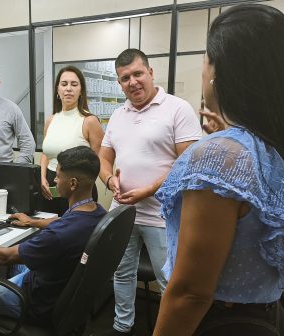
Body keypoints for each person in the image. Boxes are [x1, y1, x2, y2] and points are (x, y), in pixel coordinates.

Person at [153, 4, 284, 335]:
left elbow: (190, 293)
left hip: (217, 322)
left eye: (205, 60)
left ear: (218, 71)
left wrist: (221, 146)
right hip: (266, 318)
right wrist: (225, 137)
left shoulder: (218, 158)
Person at [0, 146, 106, 335]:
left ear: (72, 183)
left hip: (36, 303)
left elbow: (4, 257)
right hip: (61, 291)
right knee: (18, 264)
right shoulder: (98, 212)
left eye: (58, 176)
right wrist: (33, 222)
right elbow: (65, 221)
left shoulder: (58, 236)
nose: (54, 180)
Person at [98, 48, 202, 335]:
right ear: (119, 83)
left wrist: (149, 190)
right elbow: (103, 158)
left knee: (169, 280)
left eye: (137, 74)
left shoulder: (178, 109)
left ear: (150, 72)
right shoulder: (118, 115)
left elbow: (188, 163)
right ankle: (122, 327)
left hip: (161, 214)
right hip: (122, 212)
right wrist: (109, 181)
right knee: (122, 272)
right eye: (124, 78)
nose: (132, 82)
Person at [40, 65, 104, 217]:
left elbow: (96, 162)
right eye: (64, 84)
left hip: (78, 191)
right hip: (49, 188)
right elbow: (46, 154)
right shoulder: (51, 120)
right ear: (57, 90)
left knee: (74, 237)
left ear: (81, 91)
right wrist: (42, 177)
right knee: (49, 234)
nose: (68, 88)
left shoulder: (89, 121)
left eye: (74, 84)